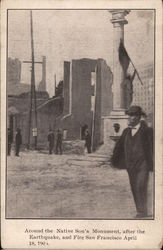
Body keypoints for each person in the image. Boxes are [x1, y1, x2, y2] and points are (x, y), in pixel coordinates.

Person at [111, 106, 153, 218]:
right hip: (130, 165)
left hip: (143, 164)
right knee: (134, 187)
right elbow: (118, 148)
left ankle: (143, 211)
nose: (129, 118)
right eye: (128, 116)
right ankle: (140, 211)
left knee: (141, 185)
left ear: (138, 117)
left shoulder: (147, 131)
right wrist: (116, 161)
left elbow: (152, 148)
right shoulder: (126, 132)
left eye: (132, 116)